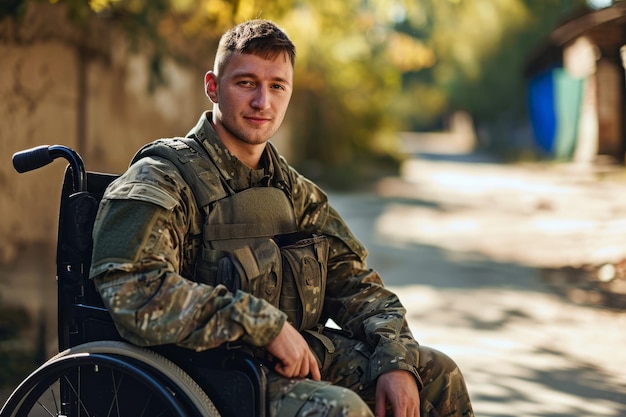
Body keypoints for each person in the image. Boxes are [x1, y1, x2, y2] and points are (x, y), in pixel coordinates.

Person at [89, 19, 474, 417]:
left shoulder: (294, 192)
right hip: (200, 373)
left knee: (436, 374)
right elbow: (134, 289)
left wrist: (396, 358)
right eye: (246, 83)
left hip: (288, 364)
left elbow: (358, 286)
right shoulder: (164, 179)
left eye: (277, 86)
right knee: (339, 409)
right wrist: (263, 325)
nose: (262, 102)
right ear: (212, 86)